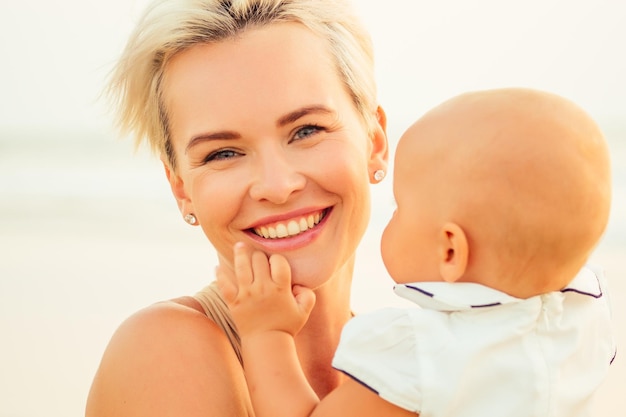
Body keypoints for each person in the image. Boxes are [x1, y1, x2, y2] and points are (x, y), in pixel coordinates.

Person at [217, 87, 617, 417]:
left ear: (449, 251)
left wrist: (265, 332)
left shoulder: (418, 351)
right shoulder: (585, 320)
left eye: (399, 208)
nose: (391, 218)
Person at [85, 1, 389, 416]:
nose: (277, 187)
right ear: (181, 189)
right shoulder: (164, 347)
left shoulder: (404, 362)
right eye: (223, 153)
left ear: (375, 142)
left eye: (306, 130)